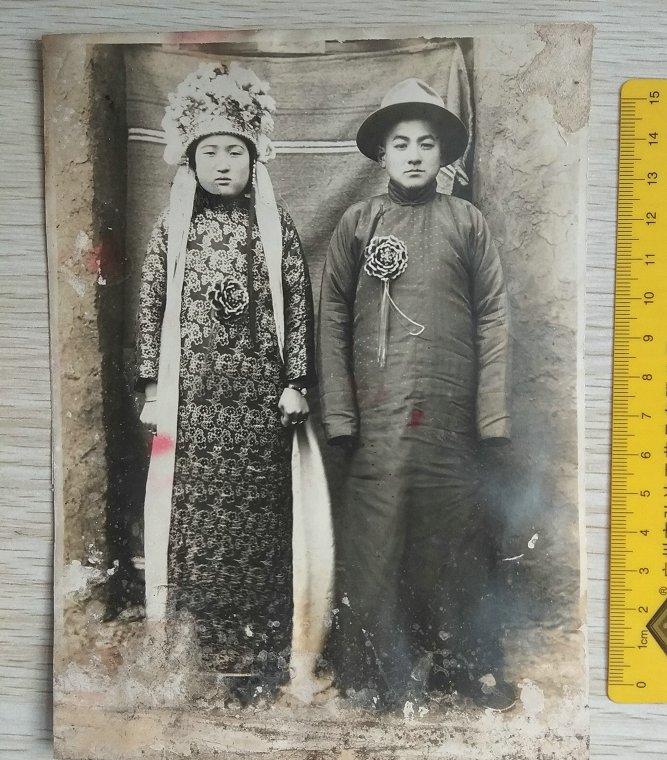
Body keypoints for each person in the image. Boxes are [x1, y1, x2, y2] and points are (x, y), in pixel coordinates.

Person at [317, 79, 515, 710]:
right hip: (377, 418)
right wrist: (341, 415)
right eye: (400, 143)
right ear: (382, 154)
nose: (413, 154)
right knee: (375, 542)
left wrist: (492, 416)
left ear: (443, 155)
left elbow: (494, 314)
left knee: (454, 538)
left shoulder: (467, 222)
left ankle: (462, 669)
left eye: (426, 143)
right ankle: (375, 675)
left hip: (449, 414)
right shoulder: (359, 221)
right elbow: (332, 317)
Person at [135, 63, 316, 697]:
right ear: (190, 158)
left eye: (233, 152)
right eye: (209, 151)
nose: (221, 165)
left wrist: (296, 381)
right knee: (194, 528)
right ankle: (194, 656)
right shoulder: (173, 226)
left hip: (259, 407)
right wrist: (152, 388)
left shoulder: (273, 224)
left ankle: (262, 659)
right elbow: (151, 301)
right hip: (193, 407)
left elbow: (297, 299)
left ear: (253, 157)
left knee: (261, 530)